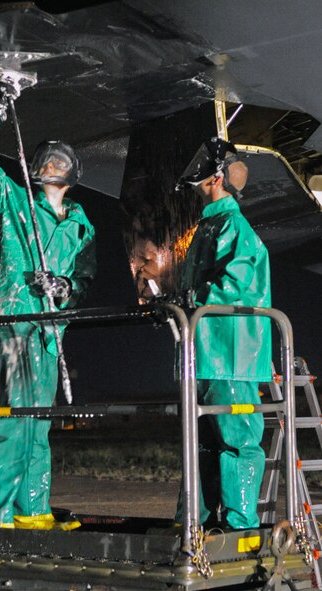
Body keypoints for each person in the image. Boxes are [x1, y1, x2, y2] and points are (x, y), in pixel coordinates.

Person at [0, 73, 96, 530]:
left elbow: (84, 280)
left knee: (38, 425)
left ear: (72, 175)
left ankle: (32, 510)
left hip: (50, 332)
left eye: (62, 163)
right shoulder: (13, 199)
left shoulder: (81, 227)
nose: (55, 166)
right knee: (13, 421)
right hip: (16, 324)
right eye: (49, 161)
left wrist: (64, 288)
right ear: (38, 167)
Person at [174, 137, 272, 530]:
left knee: (238, 440)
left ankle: (239, 526)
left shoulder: (233, 226)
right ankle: (194, 525)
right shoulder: (208, 227)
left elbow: (236, 285)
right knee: (200, 444)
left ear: (216, 177)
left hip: (231, 354)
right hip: (204, 352)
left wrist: (189, 297)